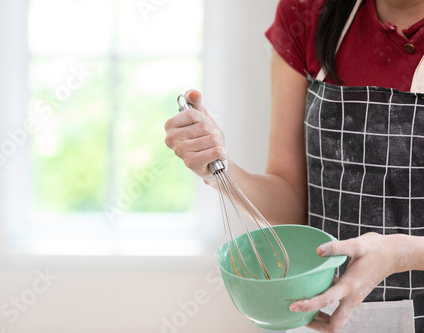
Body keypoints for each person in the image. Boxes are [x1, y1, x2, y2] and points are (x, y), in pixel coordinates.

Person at [164, 0, 424, 332]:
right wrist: (218, 168)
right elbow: (291, 203)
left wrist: (402, 253)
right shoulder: (306, 13)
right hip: (331, 319)